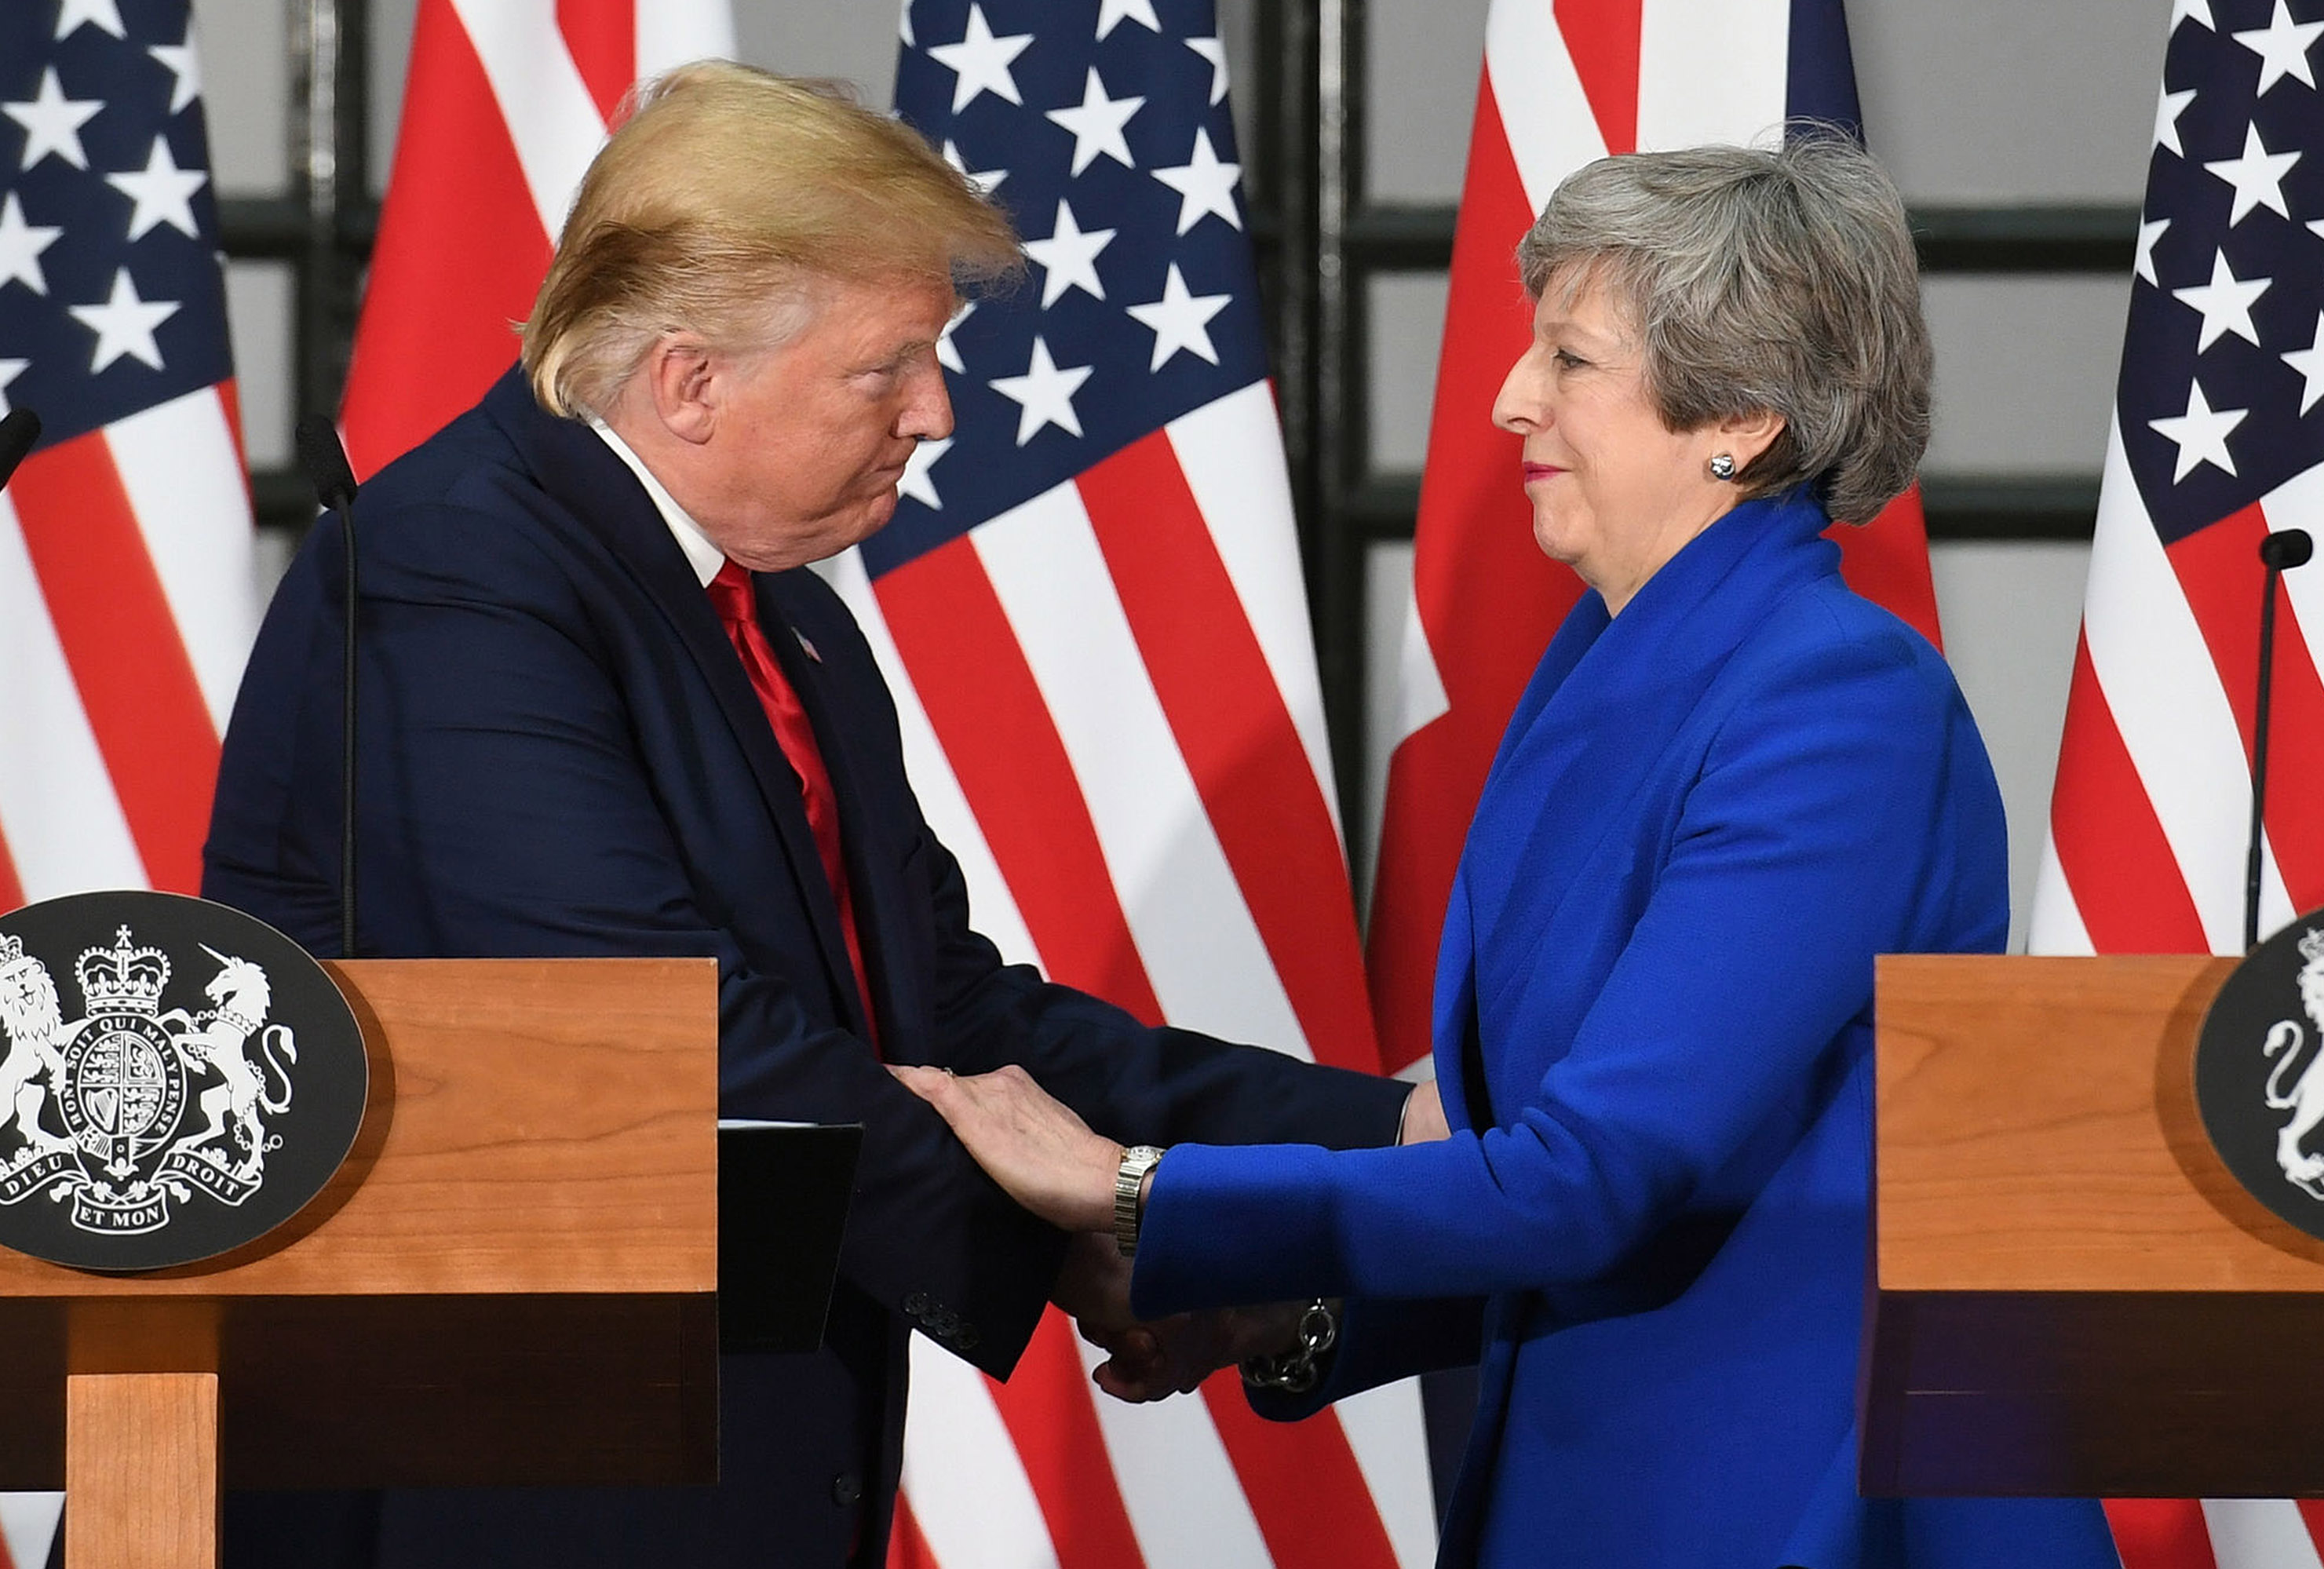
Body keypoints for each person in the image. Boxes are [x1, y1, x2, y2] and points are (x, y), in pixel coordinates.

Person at [201, 62, 1411, 1569]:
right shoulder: (461, 573)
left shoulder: (780, 618)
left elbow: (948, 1008)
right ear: (691, 378)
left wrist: (1381, 1147)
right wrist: (1115, 1238)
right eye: (887, 366)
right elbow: (660, 1031)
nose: (939, 410)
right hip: (481, 1490)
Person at [896, 136, 2125, 1568]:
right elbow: (1586, 1170)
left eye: (1570, 360)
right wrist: (1294, 1311)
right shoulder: (1615, 666)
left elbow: (1597, 1175)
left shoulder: (1832, 703)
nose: (1509, 398)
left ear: (1740, 415)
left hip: (1781, 1500)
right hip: (1604, 1477)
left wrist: (1136, 1189)